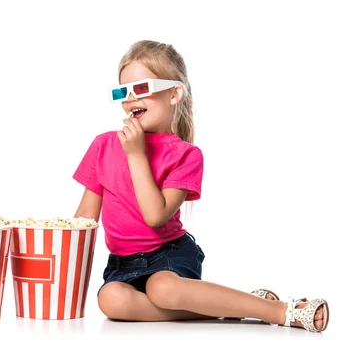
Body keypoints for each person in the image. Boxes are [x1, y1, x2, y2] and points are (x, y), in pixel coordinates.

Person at [72, 40, 329, 333]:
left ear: (174, 93)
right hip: (123, 263)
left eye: (141, 88)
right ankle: (218, 309)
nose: (130, 100)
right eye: (122, 92)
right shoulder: (103, 145)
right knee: (110, 300)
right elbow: (84, 219)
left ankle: (279, 311)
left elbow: (155, 216)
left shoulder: (185, 155)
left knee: (163, 289)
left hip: (168, 256)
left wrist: (136, 155)